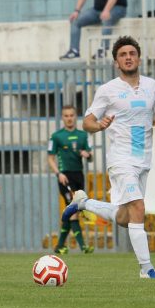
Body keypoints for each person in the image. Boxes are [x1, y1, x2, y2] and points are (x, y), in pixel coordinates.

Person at [62, 36, 155, 279]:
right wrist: (99, 125)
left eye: (132, 53)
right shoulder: (108, 90)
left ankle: (84, 203)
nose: (128, 57)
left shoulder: (151, 85)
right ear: (116, 62)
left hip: (143, 159)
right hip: (121, 160)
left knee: (125, 217)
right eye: (123, 54)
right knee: (139, 208)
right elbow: (87, 122)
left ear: (139, 58)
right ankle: (147, 269)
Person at [47, 105, 94, 255]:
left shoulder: (83, 135)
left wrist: (87, 155)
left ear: (75, 116)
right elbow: (50, 158)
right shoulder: (56, 136)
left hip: (79, 176)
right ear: (63, 118)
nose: (69, 118)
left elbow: (90, 155)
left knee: (73, 210)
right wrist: (58, 173)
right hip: (65, 177)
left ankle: (59, 246)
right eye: (66, 115)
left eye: (71, 115)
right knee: (73, 209)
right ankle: (83, 246)